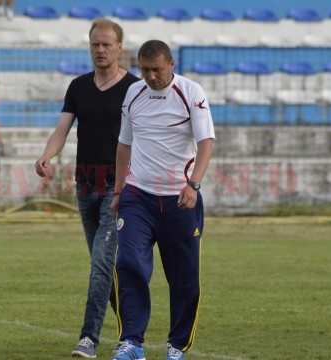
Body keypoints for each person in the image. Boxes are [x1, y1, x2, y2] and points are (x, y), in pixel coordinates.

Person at [34, 18, 139, 358]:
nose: (101, 49)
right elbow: (62, 130)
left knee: (100, 264)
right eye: (95, 43)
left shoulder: (135, 89)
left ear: (120, 47)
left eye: (107, 43)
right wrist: (47, 155)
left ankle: (88, 339)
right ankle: (131, 335)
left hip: (117, 188)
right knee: (104, 266)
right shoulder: (78, 87)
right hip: (85, 188)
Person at [109, 40, 215, 360]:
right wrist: (117, 191)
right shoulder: (133, 93)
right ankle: (132, 342)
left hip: (179, 200)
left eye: (157, 69)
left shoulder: (191, 92)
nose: (151, 76)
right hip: (137, 196)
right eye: (145, 69)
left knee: (183, 277)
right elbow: (124, 145)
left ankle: (176, 346)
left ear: (171, 64)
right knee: (128, 263)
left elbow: (206, 143)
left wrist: (193, 185)